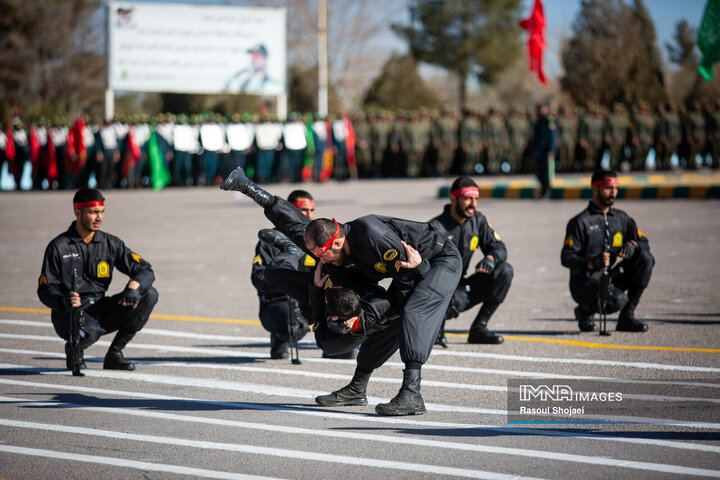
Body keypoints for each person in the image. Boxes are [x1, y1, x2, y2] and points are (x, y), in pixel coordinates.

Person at [220, 166, 462, 416]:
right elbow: (292, 222)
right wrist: (246, 186)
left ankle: (412, 394)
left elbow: (411, 278)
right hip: (398, 270)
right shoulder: (329, 245)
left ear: (337, 241)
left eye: (324, 255)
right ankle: (357, 389)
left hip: (435, 262)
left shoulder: (375, 238)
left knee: (410, 311)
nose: (322, 261)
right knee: (371, 317)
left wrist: (391, 308)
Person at [37, 188, 158, 371]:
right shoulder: (58, 247)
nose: (99, 217)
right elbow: (45, 289)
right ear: (78, 212)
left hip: (99, 307)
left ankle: (114, 354)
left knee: (148, 294)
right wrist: (63, 300)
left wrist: (134, 286)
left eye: (101, 212)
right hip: (69, 313)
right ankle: (75, 348)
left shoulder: (111, 243)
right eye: (93, 212)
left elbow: (145, 269)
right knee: (90, 331)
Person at [561, 170, 653, 333]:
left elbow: (643, 242)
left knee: (645, 258)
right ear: (595, 189)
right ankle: (585, 310)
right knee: (618, 300)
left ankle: (627, 317)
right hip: (586, 282)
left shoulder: (621, 218)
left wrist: (632, 245)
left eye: (616, 188)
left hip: (610, 275)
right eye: (608, 188)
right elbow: (566, 257)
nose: (613, 193)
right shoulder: (580, 222)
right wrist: (591, 263)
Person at [430, 177, 513, 346]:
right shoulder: (435, 228)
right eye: (468, 198)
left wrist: (491, 258)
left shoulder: (478, 221)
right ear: (453, 198)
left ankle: (479, 329)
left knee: (504, 270)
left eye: (476, 199)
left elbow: (499, 246)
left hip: (461, 289)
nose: (473, 204)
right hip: (438, 292)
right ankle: (435, 332)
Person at [251, 190, 316, 359]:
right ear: (289, 210)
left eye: (312, 210)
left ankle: (336, 345)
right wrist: (282, 280)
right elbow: (258, 277)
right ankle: (279, 338)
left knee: (340, 303)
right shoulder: (270, 240)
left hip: (306, 299)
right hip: (278, 303)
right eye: (303, 210)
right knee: (294, 323)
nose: (309, 215)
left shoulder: (315, 239)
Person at [532, 104, 557, 198]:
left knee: (547, 173)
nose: (541, 111)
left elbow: (552, 137)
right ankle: (542, 191)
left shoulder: (549, 121)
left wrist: (551, 150)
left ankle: (547, 192)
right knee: (540, 172)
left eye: (543, 109)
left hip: (547, 151)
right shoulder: (538, 121)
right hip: (539, 151)